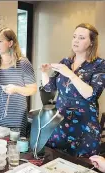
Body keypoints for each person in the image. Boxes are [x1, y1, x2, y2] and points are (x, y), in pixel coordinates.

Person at [41, 23, 105, 157]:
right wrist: (44, 73)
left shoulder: (99, 65)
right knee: (53, 160)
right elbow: (50, 87)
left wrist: (70, 74)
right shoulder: (66, 62)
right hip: (60, 122)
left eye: (81, 38)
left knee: (81, 165)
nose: (76, 40)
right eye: (74, 36)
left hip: (84, 126)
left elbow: (92, 95)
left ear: (92, 42)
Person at [0, 27, 37, 137]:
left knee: (14, 151)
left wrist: (16, 89)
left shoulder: (23, 63)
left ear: (10, 43)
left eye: (0, 41)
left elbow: (33, 89)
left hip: (16, 120)